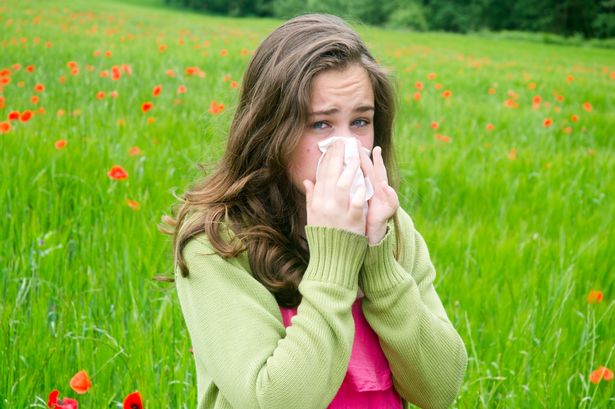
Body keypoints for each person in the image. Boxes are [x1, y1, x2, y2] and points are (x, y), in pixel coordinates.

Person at [163, 13, 467, 409]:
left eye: (361, 121)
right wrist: (336, 257)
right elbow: (272, 400)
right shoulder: (217, 241)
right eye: (321, 125)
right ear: (272, 130)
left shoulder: (393, 229)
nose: (347, 146)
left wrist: (378, 260)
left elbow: (440, 390)